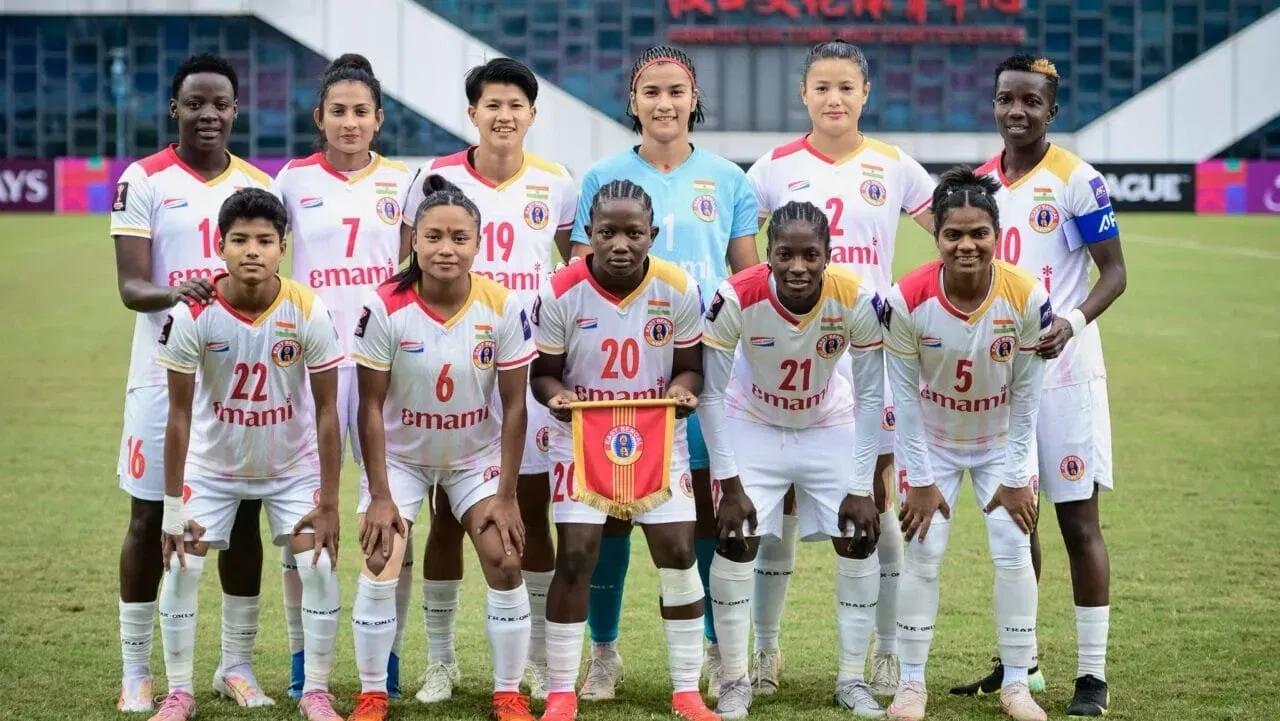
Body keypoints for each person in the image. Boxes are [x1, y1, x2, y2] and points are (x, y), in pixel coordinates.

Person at [744, 40, 936, 697]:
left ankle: (884, 652)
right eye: (822, 86)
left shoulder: (895, 165)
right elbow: (745, 257)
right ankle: (764, 653)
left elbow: (952, 239)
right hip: (793, 356)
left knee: (874, 501)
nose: (834, 98)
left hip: (868, 352)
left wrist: (904, 302)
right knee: (781, 506)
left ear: (865, 94)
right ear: (804, 94)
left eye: (846, 87)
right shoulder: (771, 169)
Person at [569, 43, 760, 701]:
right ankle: (603, 654)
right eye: (651, 91)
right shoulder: (599, 177)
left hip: (701, 370)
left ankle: (712, 648)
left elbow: (747, 277)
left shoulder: (730, 179)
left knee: (705, 509)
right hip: (617, 373)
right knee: (611, 514)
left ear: (693, 99)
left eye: (676, 91)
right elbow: (577, 276)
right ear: (633, 101)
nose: (664, 103)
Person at [950, 55, 1125, 718]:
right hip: (1001, 378)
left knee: (1078, 521)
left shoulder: (1077, 180)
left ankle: (1092, 675)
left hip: (1067, 377)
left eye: (1030, 101)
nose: (1016, 112)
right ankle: (1021, 664)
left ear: (1052, 110)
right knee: (1013, 525)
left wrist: (1072, 321)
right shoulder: (978, 185)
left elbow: (1115, 272)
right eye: (1005, 100)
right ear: (993, 104)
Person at [398, 57, 576, 704]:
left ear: (532, 114)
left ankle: (530, 659)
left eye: (515, 105)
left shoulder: (557, 183)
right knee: (446, 517)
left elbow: (574, 274)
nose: (503, 115)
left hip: (525, 373)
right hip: (450, 371)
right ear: (471, 112)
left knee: (529, 511)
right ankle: (440, 661)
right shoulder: (435, 178)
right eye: (491, 104)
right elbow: (403, 273)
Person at [110, 53, 274, 713]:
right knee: (150, 516)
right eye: (195, 103)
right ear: (174, 109)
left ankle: (234, 664)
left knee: (243, 520)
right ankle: (137, 669)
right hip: (160, 375)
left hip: (238, 384)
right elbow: (130, 286)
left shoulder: (259, 182)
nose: (208, 114)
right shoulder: (143, 178)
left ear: (235, 111)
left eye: (220, 104)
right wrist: (174, 292)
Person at [149, 188, 345, 721]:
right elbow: (178, 416)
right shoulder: (194, 312)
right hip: (212, 468)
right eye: (240, 240)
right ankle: (180, 692)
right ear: (220, 245)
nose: (252, 251)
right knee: (182, 567)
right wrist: (170, 507)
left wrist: (329, 501)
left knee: (320, 564)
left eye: (264, 240)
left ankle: (317, 692)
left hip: (290, 467)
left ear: (283, 247)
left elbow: (329, 412)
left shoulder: (308, 308)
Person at [349, 175, 537, 721]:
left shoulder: (502, 306)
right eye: (433, 237)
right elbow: (370, 408)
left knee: (504, 559)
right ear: (414, 241)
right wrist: (380, 494)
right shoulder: (383, 305)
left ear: (479, 243)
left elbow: (516, 409)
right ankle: (371, 694)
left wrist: (506, 495)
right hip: (403, 460)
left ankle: (507, 693)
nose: (445, 249)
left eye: (459, 238)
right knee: (381, 555)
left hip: (473, 458)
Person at [529, 180, 717, 721]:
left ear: (652, 235)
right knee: (577, 554)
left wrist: (685, 389)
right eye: (606, 232)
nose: (619, 244)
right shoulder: (560, 290)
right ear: (587, 233)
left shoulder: (678, 287)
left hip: (657, 436)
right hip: (582, 436)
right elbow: (543, 374)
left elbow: (691, 366)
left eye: (633, 233)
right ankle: (564, 690)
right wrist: (556, 396)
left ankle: (686, 690)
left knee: (679, 552)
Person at [700, 201, 886, 719]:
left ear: (829, 255)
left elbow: (872, 397)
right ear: (768, 254)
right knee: (736, 540)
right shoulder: (736, 296)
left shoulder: (856, 298)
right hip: (754, 422)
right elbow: (711, 396)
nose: (798, 267)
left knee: (859, 537)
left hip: (827, 423)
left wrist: (860, 483)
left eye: (810, 254)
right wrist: (729, 482)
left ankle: (852, 679)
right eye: (785, 254)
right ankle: (735, 679)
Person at [881, 167, 1050, 721]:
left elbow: (1027, 393)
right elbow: (904, 398)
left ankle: (1016, 686)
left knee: (1013, 551)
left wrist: (1018, 472)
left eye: (979, 233)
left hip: (1002, 440)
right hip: (933, 442)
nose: (966, 245)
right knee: (924, 554)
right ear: (936, 238)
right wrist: (922, 481)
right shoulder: (907, 298)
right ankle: (911, 686)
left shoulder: (1027, 296)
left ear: (997, 235)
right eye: (953, 234)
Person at [274, 52, 412, 700]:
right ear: (319, 117)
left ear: (379, 118)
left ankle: (384, 661)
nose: (350, 121)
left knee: (393, 511)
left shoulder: (403, 181)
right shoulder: (292, 180)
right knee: (309, 512)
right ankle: (307, 662)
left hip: (387, 363)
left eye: (362, 111)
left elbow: (416, 273)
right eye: (339, 111)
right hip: (311, 363)